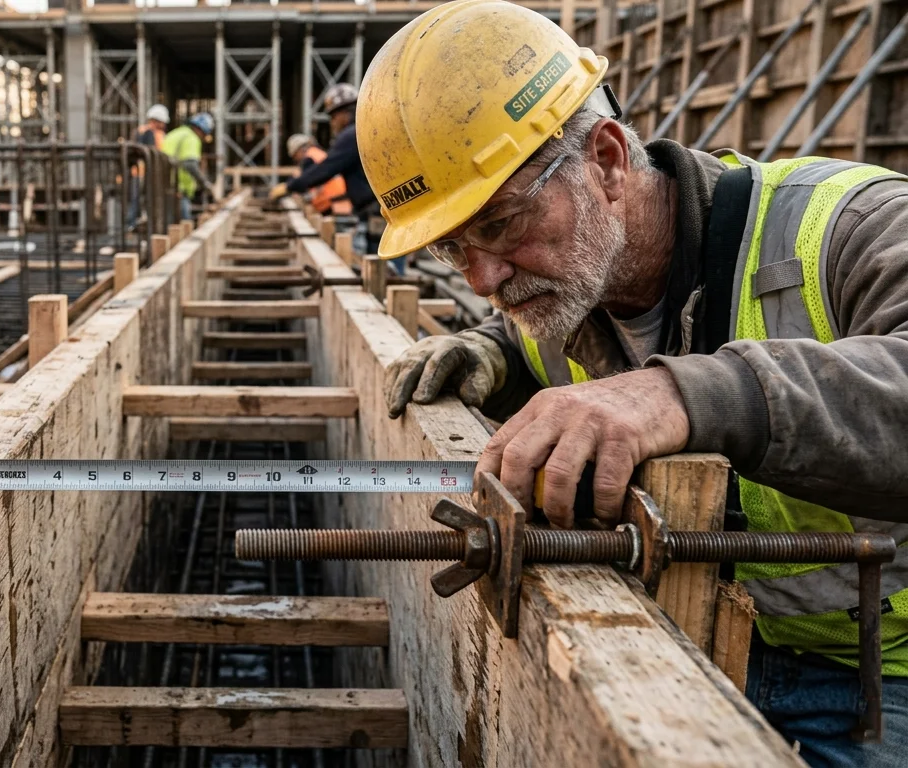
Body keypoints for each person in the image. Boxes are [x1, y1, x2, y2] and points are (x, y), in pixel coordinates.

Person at [364, 2, 908, 765]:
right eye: (455, 249)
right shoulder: (566, 294)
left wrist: (684, 396)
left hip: (877, 680)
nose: (484, 277)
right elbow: (558, 353)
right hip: (687, 642)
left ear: (610, 161)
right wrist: (491, 352)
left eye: (500, 223)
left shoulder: (849, 226)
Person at [268, 84, 400, 272]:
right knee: (380, 265)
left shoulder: (351, 135)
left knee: (380, 268)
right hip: (378, 207)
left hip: (374, 209)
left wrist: (291, 187)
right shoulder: (366, 130)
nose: (332, 122)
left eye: (333, 116)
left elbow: (326, 169)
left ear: (344, 113)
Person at [162, 112, 217, 221]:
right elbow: (190, 164)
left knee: (168, 222)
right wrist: (205, 184)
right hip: (177, 187)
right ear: (201, 130)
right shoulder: (191, 138)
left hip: (164, 184)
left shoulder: (177, 133)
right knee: (183, 222)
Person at [285, 133, 353, 217]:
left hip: (332, 203)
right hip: (340, 200)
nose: (296, 159)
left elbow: (304, 180)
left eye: (295, 155)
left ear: (299, 150)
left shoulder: (309, 158)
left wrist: (288, 187)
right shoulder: (317, 154)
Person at [129, 104, 171, 229]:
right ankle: (133, 224)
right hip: (143, 172)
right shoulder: (146, 132)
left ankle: (139, 222)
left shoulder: (155, 133)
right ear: (156, 120)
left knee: (141, 198)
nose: (164, 125)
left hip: (151, 172)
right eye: (162, 122)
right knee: (139, 199)